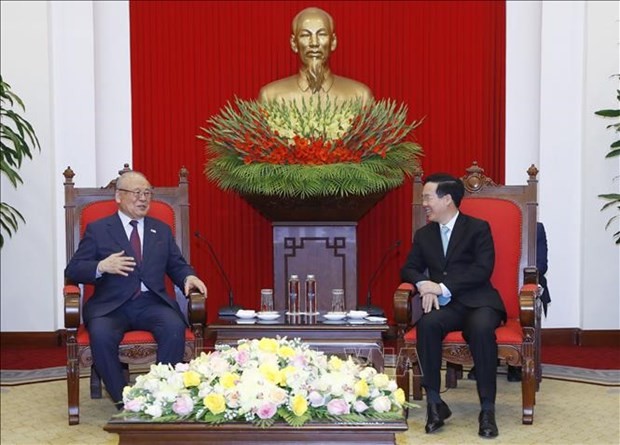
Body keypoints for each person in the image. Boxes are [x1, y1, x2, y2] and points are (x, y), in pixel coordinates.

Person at [65, 171, 207, 409]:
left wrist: (189, 276)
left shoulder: (160, 229)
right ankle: (125, 401)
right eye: (137, 193)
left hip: (151, 303)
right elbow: (74, 269)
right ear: (119, 196)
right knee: (100, 334)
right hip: (111, 307)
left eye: (147, 193)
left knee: (174, 327)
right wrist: (101, 266)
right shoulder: (98, 229)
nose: (143, 199)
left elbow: (176, 264)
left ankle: (160, 396)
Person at [400, 173, 505, 438]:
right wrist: (424, 284)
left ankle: (487, 409)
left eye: (427, 197)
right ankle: (435, 403)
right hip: (448, 308)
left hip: (480, 302)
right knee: (428, 324)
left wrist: (442, 288)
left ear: (447, 199)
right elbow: (409, 268)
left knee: (481, 329)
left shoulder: (477, 228)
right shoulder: (424, 235)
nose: (424, 203)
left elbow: (483, 269)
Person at [258, 7, 373, 106]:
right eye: (305, 35)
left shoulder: (360, 96)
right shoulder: (271, 97)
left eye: (322, 34)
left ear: (333, 42)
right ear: (294, 43)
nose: (314, 43)